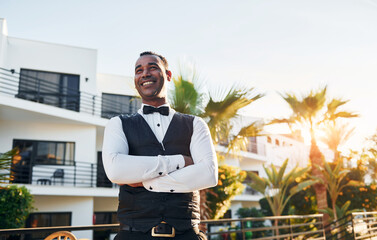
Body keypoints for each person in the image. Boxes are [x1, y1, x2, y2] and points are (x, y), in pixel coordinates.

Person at [102, 51, 218, 240]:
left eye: (152, 67)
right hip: (133, 236)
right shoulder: (118, 123)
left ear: (168, 75)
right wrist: (180, 161)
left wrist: (143, 180)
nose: (145, 73)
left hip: (186, 234)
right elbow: (116, 171)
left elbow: (208, 174)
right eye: (139, 70)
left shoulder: (196, 124)